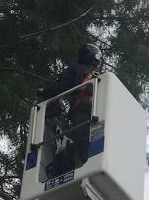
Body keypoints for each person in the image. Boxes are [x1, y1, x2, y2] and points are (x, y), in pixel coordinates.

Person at [37, 43, 102, 177]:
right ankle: (90, 165)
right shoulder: (99, 75)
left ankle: (86, 168)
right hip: (98, 110)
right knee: (94, 140)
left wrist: (44, 91)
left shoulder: (76, 69)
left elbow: (61, 86)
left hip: (82, 110)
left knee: (82, 139)